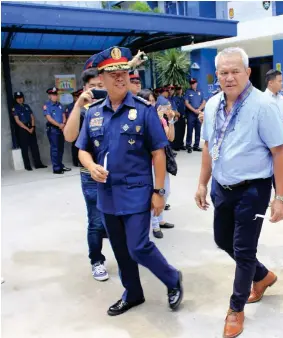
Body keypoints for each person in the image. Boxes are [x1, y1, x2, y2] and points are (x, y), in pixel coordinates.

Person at [75, 46, 183, 316]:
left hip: (137, 191)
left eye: (124, 72)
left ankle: (172, 279)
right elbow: (82, 149)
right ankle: (133, 293)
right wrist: (90, 165)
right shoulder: (93, 112)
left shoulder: (144, 110)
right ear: (102, 78)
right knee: (121, 250)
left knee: (138, 246)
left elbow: (159, 152)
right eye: (113, 74)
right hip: (107, 194)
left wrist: (159, 191)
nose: (120, 78)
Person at [195, 47, 283, 338]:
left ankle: (236, 309)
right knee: (223, 240)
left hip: (254, 189)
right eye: (223, 72)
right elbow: (209, 146)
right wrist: (202, 183)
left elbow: (279, 152)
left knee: (244, 249)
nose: (229, 77)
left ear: (247, 72)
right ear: (217, 76)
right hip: (221, 186)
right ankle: (262, 276)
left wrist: (280, 197)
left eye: (235, 71)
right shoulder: (211, 105)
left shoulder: (263, 106)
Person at [64, 60, 110, 281]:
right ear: (85, 88)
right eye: (93, 86)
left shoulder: (114, 106)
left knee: (117, 219)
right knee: (96, 220)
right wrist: (77, 105)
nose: (98, 90)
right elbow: (69, 137)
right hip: (90, 174)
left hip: (115, 174)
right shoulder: (83, 111)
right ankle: (97, 261)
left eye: (102, 85)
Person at [138, 89, 176, 239]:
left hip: (162, 163)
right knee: (154, 193)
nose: (152, 104)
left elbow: (170, 138)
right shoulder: (140, 119)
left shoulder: (160, 119)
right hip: (149, 164)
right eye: (149, 101)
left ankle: (160, 220)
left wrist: (170, 120)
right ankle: (154, 225)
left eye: (153, 101)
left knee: (165, 191)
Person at [264, 69, 283, 202]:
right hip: (268, 140)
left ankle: (281, 193)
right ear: (270, 83)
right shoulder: (262, 99)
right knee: (269, 168)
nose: (282, 84)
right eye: (279, 81)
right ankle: (269, 197)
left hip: (281, 139)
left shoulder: (281, 98)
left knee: (282, 165)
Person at [11, 91, 47, 171]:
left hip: (31, 127)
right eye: (18, 98)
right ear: (15, 99)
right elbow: (17, 121)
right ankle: (27, 166)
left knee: (34, 146)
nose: (20, 99)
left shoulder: (26, 106)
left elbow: (32, 117)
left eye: (21, 97)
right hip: (22, 129)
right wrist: (27, 129)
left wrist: (32, 126)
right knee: (24, 148)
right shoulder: (15, 108)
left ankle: (38, 164)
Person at [43, 87, 71, 174]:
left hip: (61, 129)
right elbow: (49, 118)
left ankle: (60, 165)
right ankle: (56, 168)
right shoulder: (47, 106)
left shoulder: (60, 105)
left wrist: (63, 123)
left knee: (60, 148)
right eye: (53, 95)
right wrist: (59, 125)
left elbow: (63, 115)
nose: (55, 96)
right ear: (49, 96)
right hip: (53, 130)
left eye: (56, 95)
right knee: (55, 149)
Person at [184, 78, 206, 153]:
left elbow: (204, 102)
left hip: (198, 113)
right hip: (191, 114)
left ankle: (196, 145)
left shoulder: (200, 91)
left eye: (194, 83)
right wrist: (194, 110)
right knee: (189, 130)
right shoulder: (188, 92)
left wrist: (199, 110)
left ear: (196, 83)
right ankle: (188, 145)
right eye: (191, 83)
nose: (193, 84)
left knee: (198, 130)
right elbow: (186, 103)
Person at [66, 88, 84, 167]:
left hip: (84, 127)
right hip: (76, 127)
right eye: (77, 97)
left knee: (83, 145)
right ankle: (75, 161)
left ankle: (82, 161)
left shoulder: (85, 104)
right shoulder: (71, 106)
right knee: (76, 145)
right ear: (74, 97)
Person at [171, 85, 187, 151]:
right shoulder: (174, 99)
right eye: (178, 89)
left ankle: (181, 144)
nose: (179, 90)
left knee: (182, 131)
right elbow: (174, 108)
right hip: (177, 117)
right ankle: (176, 145)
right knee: (177, 132)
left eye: (180, 89)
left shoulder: (183, 98)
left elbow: (185, 108)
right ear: (176, 90)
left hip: (183, 116)